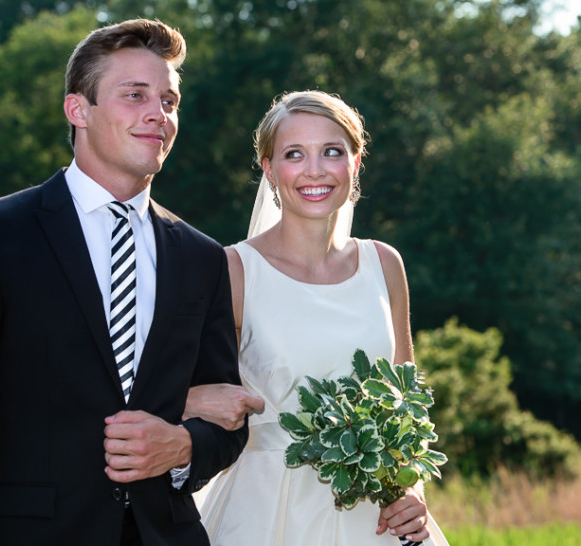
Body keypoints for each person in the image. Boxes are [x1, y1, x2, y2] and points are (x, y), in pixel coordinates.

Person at [0, 19, 248, 546]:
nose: (157, 114)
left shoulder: (202, 257)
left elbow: (228, 421)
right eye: (134, 95)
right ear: (79, 110)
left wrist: (183, 446)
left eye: (169, 100)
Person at [175, 91, 450, 545]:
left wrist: (413, 490)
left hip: (377, 517)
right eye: (294, 154)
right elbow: (172, 385)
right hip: (267, 513)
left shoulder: (385, 264)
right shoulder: (233, 270)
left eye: (332, 152)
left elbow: (407, 403)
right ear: (268, 169)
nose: (315, 170)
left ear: (355, 163)